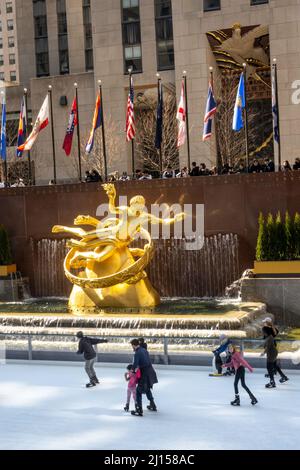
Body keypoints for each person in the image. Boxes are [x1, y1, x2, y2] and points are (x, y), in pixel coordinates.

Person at [130, 338, 158, 416]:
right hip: (150, 371)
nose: (132, 348)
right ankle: (152, 404)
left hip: (144, 373)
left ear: (133, 345)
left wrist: (132, 371)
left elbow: (135, 364)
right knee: (147, 388)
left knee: (138, 391)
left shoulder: (137, 353)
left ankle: (139, 410)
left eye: (132, 346)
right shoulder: (144, 350)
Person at [261, 319, 289, 387]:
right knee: (274, 365)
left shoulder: (267, 332)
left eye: (264, 322)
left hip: (271, 351)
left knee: (269, 366)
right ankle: (283, 377)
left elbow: (268, 346)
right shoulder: (272, 331)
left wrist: (263, 352)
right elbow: (275, 332)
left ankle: (272, 381)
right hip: (273, 350)